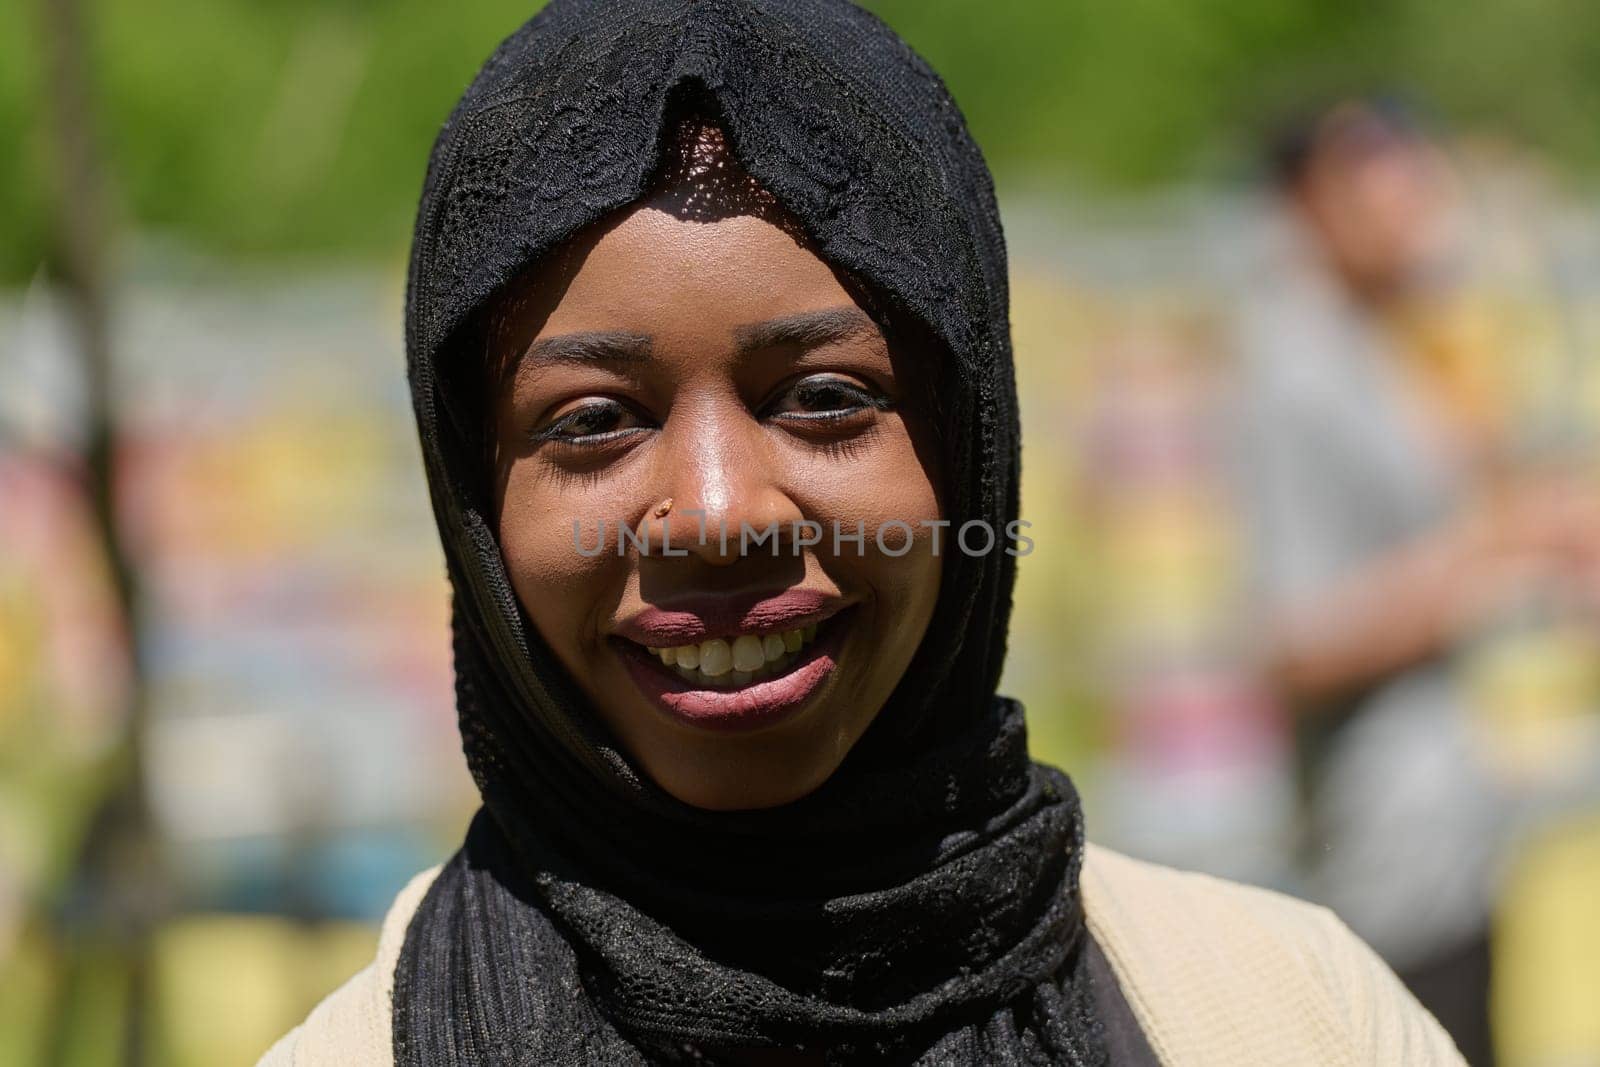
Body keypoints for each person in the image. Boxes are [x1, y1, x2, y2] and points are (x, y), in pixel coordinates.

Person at [261, 5, 1465, 1064]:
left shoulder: (1287, 1017)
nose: (722, 514)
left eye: (825, 398)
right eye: (591, 421)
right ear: (473, 498)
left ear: (967, 444)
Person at [1227, 100, 1600, 1066]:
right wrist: (1494, 551)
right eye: (1384, 170)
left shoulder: (1387, 340)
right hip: (1387, 853)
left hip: (1458, 833)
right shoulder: (1292, 373)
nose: (1417, 194)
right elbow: (1291, 642)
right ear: (1312, 199)